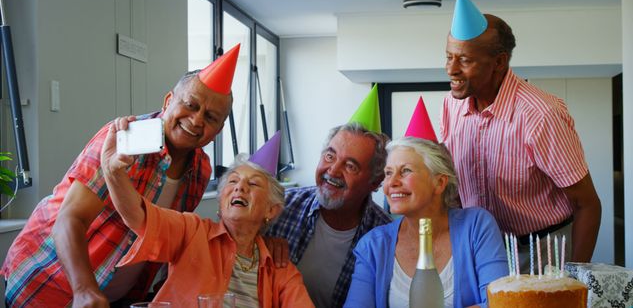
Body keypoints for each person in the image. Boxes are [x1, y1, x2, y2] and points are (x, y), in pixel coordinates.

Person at [2, 45, 241, 307]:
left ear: (219, 129)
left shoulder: (201, 171)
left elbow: (168, 238)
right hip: (48, 281)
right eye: (190, 105)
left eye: (210, 116)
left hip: (118, 297)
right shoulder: (121, 139)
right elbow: (70, 219)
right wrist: (84, 290)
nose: (196, 120)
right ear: (168, 101)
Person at [440, 0, 602, 268]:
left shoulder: (541, 114)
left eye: (464, 60)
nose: (450, 69)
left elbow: (587, 205)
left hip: (541, 250)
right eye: (448, 56)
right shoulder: (450, 106)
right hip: (479, 247)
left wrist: (575, 279)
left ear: (499, 62)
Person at [103, 129, 313, 307]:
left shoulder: (280, 269)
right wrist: (112, 170)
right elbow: (140, 217)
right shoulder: (192, 231)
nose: (240, 187)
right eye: (232, 181)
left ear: (271, 211)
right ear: (221, 202)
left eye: (254, 184)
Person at [344, 105, 508, 308]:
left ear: (439, 183)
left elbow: (500, 303)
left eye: (405, 171)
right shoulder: (373, 246)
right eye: (388, 173)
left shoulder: (476, 227)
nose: (392, 182)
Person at [266, 85, 392, 308]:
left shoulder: (384, 236)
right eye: (330, 156)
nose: (333, 171)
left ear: (374, 182)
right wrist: (257, 242)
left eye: (351, 166)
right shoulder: (279, 205)